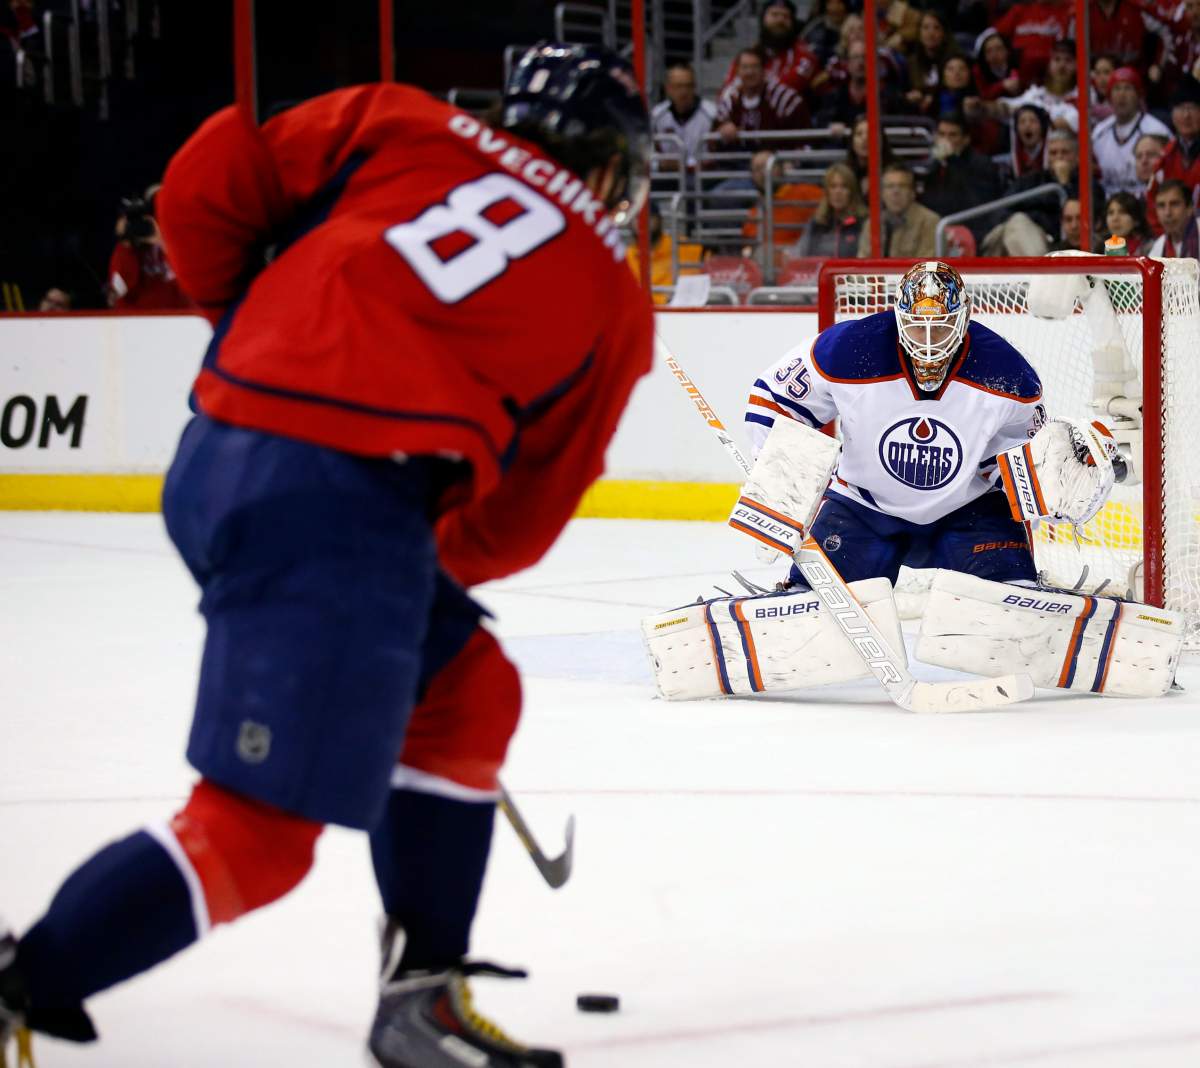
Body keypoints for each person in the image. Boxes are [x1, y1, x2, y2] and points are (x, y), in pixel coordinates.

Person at [0, 42, 653, 1068]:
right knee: (254, 835)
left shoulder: (398, 119)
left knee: (466, 690)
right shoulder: (613, 295)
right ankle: (25, 983)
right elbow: (520, 522)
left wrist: (253, 334)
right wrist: (415, 552)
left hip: (220, 450)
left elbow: (200, 185)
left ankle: (422, 999)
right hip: (341, 507)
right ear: (613, 165)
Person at [919, 112, 1004, 244]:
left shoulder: (982, 164)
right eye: (941, 134)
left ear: (966, 139)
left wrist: (953, 161)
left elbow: (975, 206)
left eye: (952, 135)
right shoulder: (933, 165)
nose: (945, 140)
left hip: (973, 232)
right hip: (938, 230)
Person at [106, 186, 191, 311]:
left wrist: (162, 242)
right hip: (139, 319)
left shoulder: (187, 237)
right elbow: (118, 291)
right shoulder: (131, 246)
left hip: (179, 319)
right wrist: (127, 242)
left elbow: (193, 281)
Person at [1090, 67, 1171, 197]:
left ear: (1139, 95)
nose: (1122, 95)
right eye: (1117, 89)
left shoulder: (1157, 130)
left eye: (1128, 88)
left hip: (1145, 203)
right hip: (1107, 207)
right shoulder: (1099, 132)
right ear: (1109, 96)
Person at [724, 0, 820, 96]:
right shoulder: (751, 54)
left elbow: (789, 89)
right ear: (763, 19)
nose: (780, 20)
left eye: (786, 17)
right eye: (774, 15)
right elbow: (727, 93)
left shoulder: (805, 54)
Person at [855, 162, 939, 258]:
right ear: (882, 193)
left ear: (912, 192)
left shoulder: (929, 221)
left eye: (902, 186)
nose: (896, 192)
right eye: (890, 186)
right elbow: (863, 263)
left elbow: (926, 265)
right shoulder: (872, 223)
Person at [651, 62, 717, 174]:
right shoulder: (657, 114)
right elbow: (649, 153)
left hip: (702, 178)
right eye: (678, 86)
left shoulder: (711, 112)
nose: (684, 91)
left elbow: (716, 157)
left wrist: (685, 166)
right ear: (668, 88)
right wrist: (659, 164)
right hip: (667, 177)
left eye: (688, 85)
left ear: (694, 87)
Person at [795, 161, 864, 257]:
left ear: (851, 191)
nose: (838, 192)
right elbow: (801, 255)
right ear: (827, 191)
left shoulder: (863, 223)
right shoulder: (816, 223)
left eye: (844, 186)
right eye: (833, 186)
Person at [1147, 178, 1200, 255]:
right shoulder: (1158, 247)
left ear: (1189, 208)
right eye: (1161, 205)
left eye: (1174, 204)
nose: (1167, 213)